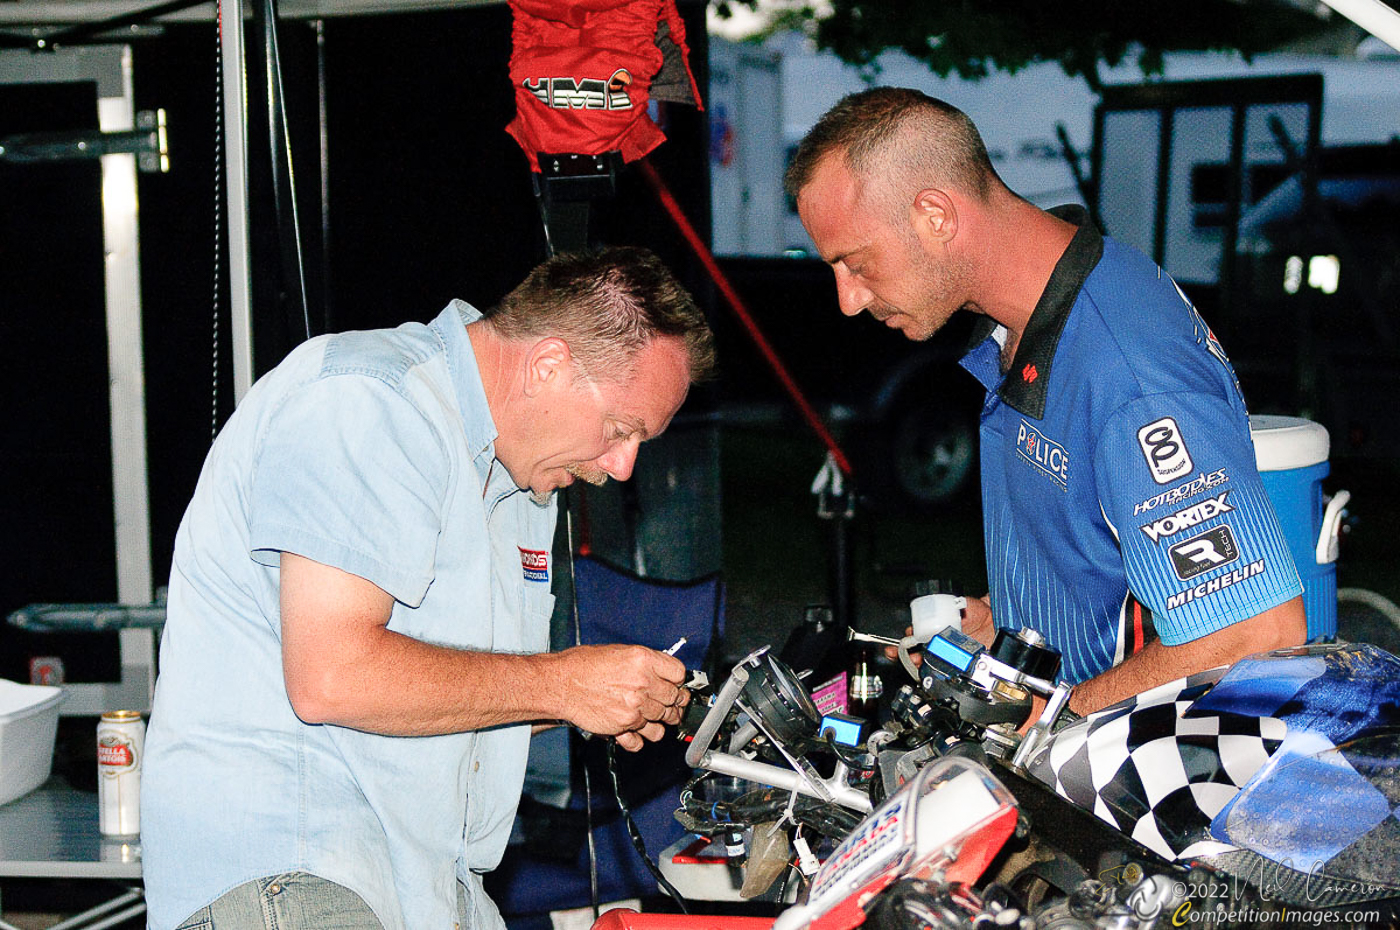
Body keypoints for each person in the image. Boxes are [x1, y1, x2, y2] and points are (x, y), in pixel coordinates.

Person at [141, 246, 717, 930]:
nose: (623, 467)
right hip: (295, 865)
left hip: (428, 885)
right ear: (549, 365)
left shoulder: (525, 483)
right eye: (620, 431)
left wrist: (597, 699)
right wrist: (562, 685)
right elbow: (332, 677)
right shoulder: (368, 401)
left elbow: (468, 686)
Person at [785, 87, 1306, 716]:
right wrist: (1002, 629)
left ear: (936, 216)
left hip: (1131, 783)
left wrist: (1050, 721)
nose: (848, 299)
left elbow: (1256, 633)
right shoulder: (1022, 317)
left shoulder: (1129, 369)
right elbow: (1103, 551)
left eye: (856, 262)